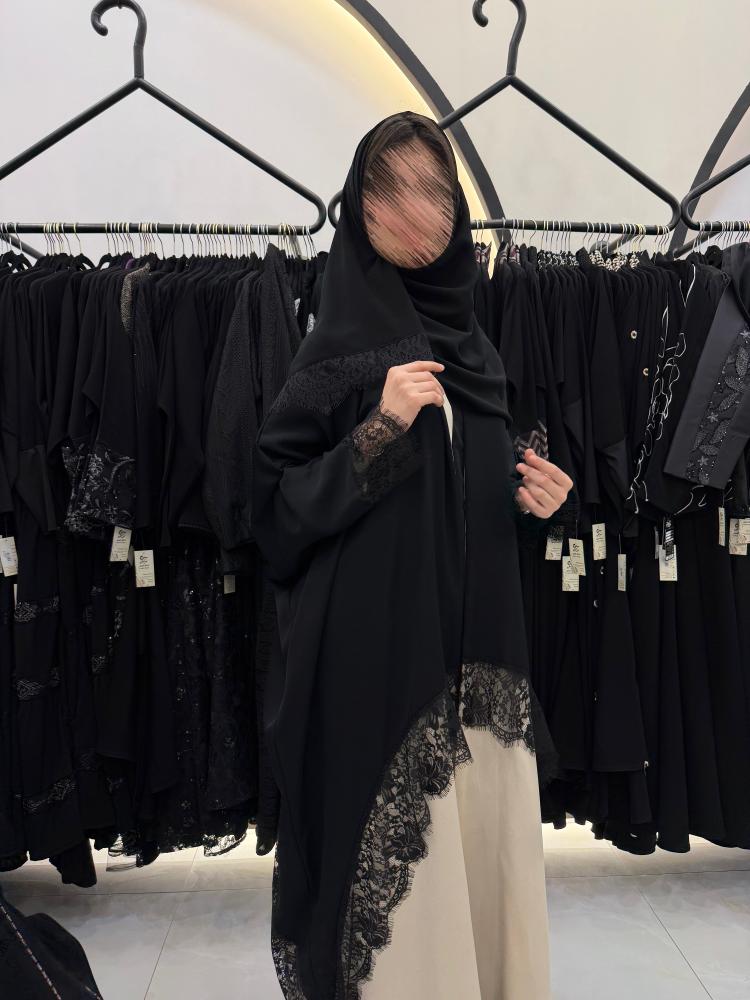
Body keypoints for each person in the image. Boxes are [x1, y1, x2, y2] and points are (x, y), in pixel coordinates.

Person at [252, 110, 573, 1000]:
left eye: (433, 189)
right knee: (407, 920)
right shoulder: (335, 349)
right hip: (381, 675)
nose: (412, 211)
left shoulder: (480, 354)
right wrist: (381, 426)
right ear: (356, 210)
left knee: (484, 884)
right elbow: (272, 513)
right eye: (386, 189)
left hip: (483, 670)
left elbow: (465, 509)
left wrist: (533, 502)